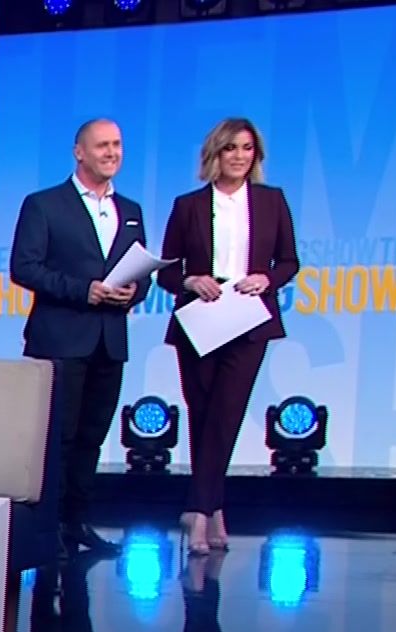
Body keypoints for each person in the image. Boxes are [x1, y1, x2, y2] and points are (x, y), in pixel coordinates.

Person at [9, 118, 153, 558]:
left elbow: (142, 271)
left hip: (109, 341)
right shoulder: (44, 205)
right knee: (58, 440)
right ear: (79, 152)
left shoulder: (130, 210)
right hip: (60, 341)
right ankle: (47, 529)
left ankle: (76, 523)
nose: (112, 153)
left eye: (117, 145)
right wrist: (82, 290)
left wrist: (135, 291)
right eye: (102, 145)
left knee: (92, 436)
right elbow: (24, 267)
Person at [155, 118, 299, 555]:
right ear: (215, 154)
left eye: (247, 148)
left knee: (226, 415)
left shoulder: (272, 201)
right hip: (201, 321)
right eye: (231, 148)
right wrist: (191, 280)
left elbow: (289, 261)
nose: (239, 156)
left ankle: (197, 511)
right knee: (202, 416)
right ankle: (214, 508)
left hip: (249, 320)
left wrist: (267, 279)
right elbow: (167, 272)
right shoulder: (188, 206)